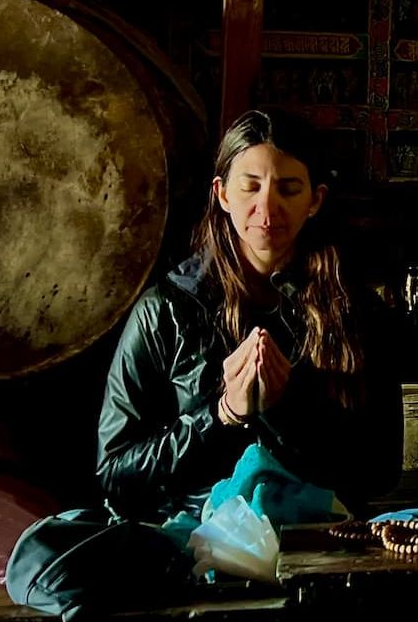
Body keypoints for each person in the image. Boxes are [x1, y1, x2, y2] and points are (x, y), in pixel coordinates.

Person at [98, 110, 400, 520]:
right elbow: (116, 472)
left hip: (318, 535)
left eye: (288, 190)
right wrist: (222, 413)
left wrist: (285, 408)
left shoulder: (356, 310)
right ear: (223, 194)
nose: (267, 209)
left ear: (315, 200)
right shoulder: (167, 309)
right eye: (250, 188)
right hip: (193, 540)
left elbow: (380, 471)